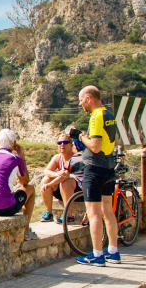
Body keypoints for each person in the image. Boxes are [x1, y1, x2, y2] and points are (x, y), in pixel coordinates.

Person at [73, 85, 121, 266]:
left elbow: (95, 146)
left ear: (88, 98)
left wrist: (80, 136)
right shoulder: (109, 114)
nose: (80, 104)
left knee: (93, 213)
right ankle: (113, 252)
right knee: (107, 210)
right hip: (109, 166)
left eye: (81, 100)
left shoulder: (96, 116)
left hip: (94, 167)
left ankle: (97, 255)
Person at [39, 132, 81, 223]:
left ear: (71, 144)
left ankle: (68, 215)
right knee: (45, 179)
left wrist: (52, 182)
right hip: (62, 189)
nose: (62, 145)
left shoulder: (75, 158)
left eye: (65, 142)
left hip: (77, 191)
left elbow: (65, 176)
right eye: (59, 143)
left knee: (66, 182)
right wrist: (57, 174)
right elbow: (46, 171)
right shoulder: (57, 158)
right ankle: (48, 213)